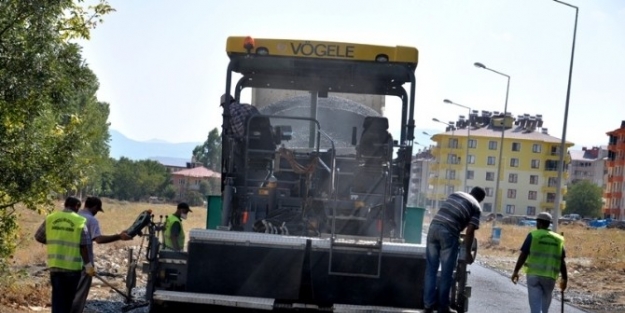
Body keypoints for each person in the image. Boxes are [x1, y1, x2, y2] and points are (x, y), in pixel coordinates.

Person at [423, 187, 486, 313]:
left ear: (471, 192)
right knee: (447, 274)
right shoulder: (476, 206)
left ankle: (428, 306)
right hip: (449, 232)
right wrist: (468, 253)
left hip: (433, 228)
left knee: (431, 270)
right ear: (481, 199)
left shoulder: (456, 194)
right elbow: (470, 231)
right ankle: (443, 308)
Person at [71, 196, 132, 313]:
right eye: (97, 210)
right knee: (78, 295)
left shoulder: (75, 216)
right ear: (94, 207)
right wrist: (119, 236)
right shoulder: (91, 220)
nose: (96, 213)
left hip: (68, 262)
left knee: (68, 293)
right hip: (84, 263)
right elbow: (98, 239)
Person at [35, 196, 94, 313]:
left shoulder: (51, 218)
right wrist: (88, 266)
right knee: (68, 301)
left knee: (57, 299)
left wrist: (54, 241)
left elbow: (39, 236)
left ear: (65, 205)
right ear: (77, 206)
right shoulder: (80, 221)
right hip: (72, 270)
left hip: (55, 267)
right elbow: (84, 247)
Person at [511, 212, 568, 313]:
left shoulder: (533, 235)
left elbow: (523, 255)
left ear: (540, 223)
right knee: (545, 308)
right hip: (550, 277)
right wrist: (564, 278)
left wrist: (516, 271)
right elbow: (561, 261)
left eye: (537, 222)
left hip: (534, 276)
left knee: (535, 307)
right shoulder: (559, 239)